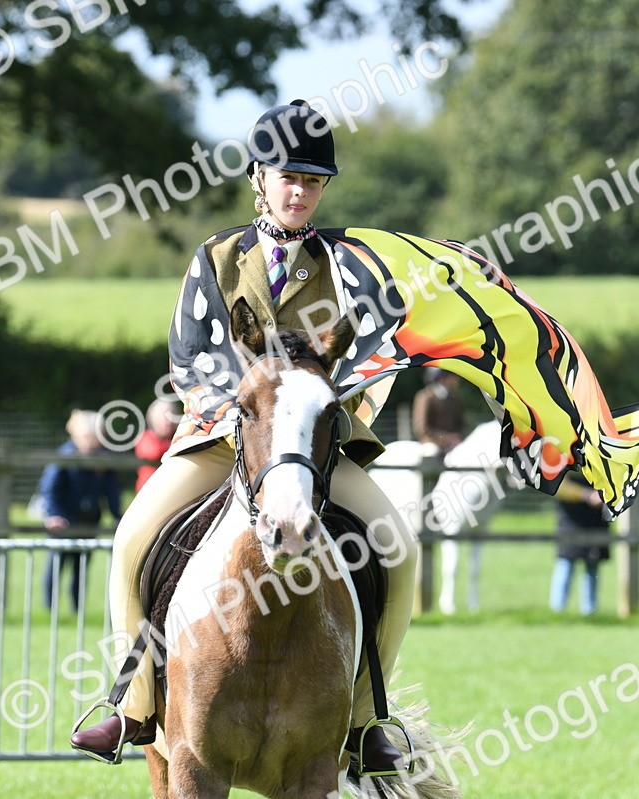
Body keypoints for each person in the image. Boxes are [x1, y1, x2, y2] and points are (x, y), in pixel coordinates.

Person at [70, 99, 417, 774]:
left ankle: (368, 721)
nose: (299, 191)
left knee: (400, 548)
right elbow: (188, 353)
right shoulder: (216, 256)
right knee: (131, 537)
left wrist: (324, 400)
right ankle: (133, 704)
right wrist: (239, 403)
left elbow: (378, 352)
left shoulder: (350, 266)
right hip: (222, 439)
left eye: (312, 181)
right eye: (287, 176)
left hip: (314, 445)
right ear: (259, 178)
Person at [39, 410, 123, 611]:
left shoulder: (103, 459)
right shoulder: (64, 457)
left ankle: (77, 610)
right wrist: (54, 515)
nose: (96, 440)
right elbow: (50, 490)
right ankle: (50, 609)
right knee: (56, 564)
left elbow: (111, 490)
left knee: (81, 566)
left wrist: (117, 516)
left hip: (89, 520)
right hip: (64, 521)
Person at [548, 475, 610, 616]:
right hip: (571, 520)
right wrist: (586, 495)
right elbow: (556, 484)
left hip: (595, 518)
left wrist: (603, 494)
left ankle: (590, 612)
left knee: (592, 565)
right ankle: (557, 612)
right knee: (566, 563)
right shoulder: (562, 457)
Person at [412, 367, 469, 454]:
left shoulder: (454, 398)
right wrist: (446, 438)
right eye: (453, 376)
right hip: (431, 441)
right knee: (431, 451)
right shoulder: (425, 397)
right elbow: (422, 428)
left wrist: (458, 436)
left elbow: (460, 424)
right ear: (442, 377)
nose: (457, 379)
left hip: (453, 442)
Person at [133, 399, 178, 492]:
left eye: (172, 415)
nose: (168, 421)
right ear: (152, 418)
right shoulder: (145, 437)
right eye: (164, 416)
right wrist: (176, 446)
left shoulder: (177, 438)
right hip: (149, 492)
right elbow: (154, 452)